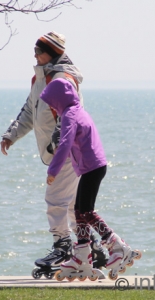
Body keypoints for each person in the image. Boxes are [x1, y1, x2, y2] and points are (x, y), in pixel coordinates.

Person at [0, 31, 107, 275]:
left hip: (67, 152)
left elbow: (70, 114)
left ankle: (64, 247)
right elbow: (29, 111)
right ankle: (91, 247)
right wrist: (11, 135)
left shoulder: (62, 79)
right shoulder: (39, 79)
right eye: (35, 50)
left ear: (53, 53)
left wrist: (56, 146)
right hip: (62, 152)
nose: (34, 54)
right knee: (72, 205)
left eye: (39, 50)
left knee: (56, 201)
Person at [39, 78, 142, 281]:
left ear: (59, 99)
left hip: (92, 168)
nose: (51, 106)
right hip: (94, 166)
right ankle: (82, 254)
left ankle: (118, 246)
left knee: (86, 211)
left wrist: (53, 170)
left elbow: (65, 143)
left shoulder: (70, 114)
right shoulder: (78, 110)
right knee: (79, 210)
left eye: (52, 102)